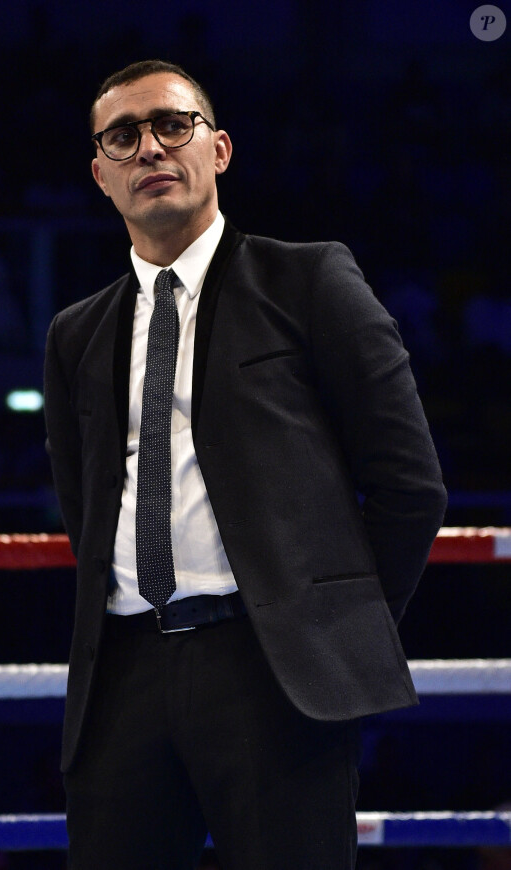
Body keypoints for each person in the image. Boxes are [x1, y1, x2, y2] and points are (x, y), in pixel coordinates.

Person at [44, 59, 447, 870]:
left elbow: (410, 485)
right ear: (100, 174)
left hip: (272, 673)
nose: (150, 148)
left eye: (172, 125)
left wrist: (321, 627)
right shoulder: (74, 334)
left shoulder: (308, 280)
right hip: (124, 671)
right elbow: (84, 503)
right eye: (124, 136)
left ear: (218, 148)